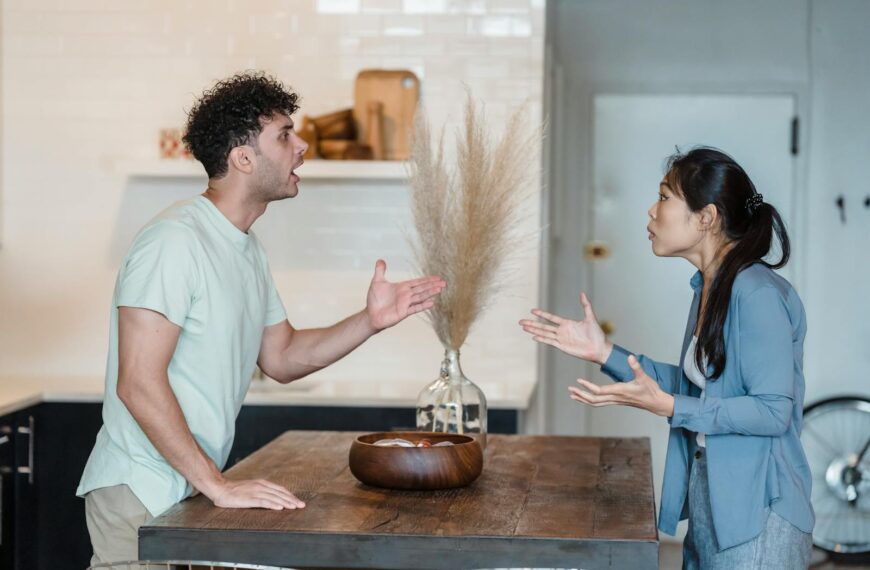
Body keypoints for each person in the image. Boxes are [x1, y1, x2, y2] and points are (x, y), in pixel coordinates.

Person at [76, 71, 446, 565]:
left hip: (186, 486)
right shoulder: (174, 241)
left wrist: (370, 320)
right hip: (138, 488)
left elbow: (282, 356)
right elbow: (138, 382)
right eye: (285, 135)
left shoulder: (245, 248)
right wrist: (219, 485)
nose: (302, 146)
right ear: (243, 158)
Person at [520, 147, 814, 569]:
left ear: (706, 217)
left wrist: (673, 407)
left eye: (663, 197)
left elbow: (771, 412)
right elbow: (700, 389)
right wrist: (603, 352)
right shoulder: (710, 287)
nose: (651, 210)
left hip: (760, 510)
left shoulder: (757, 293)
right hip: (713, 497)